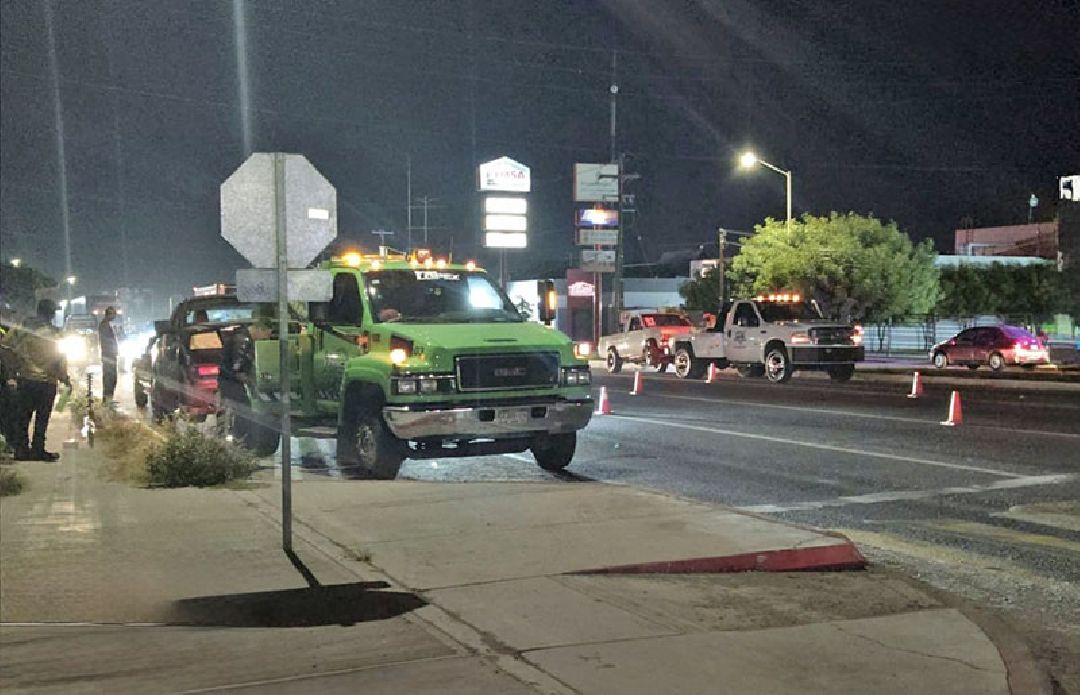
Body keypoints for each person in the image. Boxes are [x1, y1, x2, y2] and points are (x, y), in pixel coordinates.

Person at [2, 300, 70, 461]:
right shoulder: (55, 333)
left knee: (23, 417)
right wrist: (65, 378)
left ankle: (22, 450)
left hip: (26, 379)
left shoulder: (22, 328)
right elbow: (61, 359)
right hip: (48, 382)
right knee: (42, 418)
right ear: (51, 313)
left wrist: (12, 370)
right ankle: (38, 449)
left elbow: (5, 347)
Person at [98, 306, 119, 403]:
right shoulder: (104, 325)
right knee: (110, 378)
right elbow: (107, 341)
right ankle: (107, 398)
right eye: (113, 313)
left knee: (111, 378)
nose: (114, 316)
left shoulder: (107, 325)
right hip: (108, 355)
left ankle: (108, 398)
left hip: (110, 355)